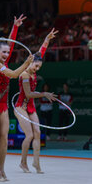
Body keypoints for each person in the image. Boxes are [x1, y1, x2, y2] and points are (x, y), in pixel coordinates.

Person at [0, 14, 34, 182]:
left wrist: (15, 27)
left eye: (6, 52)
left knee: (4, 139)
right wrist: (26, 64)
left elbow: (11, 44)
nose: (5, 54)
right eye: (2, 52)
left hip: (3, 105)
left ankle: (2, 170)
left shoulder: (3, 62)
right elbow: (12, 75)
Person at [14, 28, 58, 174]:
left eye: (40, 66)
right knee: (30, 135)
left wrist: (47, 39)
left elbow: (41, 52)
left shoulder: (34, 65)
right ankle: (23, 162)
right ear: (30, 62)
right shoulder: (25, 74)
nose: (37, 68)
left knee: (38, 133)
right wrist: (44, 94)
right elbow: (28, 93)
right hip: (21, 106)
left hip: (31, 106)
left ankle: (36, 163)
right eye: (36, 66)